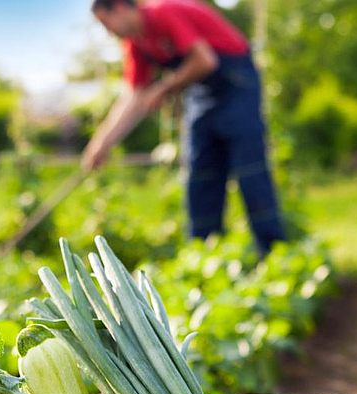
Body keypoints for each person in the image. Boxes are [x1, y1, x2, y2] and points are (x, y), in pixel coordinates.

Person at [84, 0, 287, 254]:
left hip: (236, 85)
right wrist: (101, 144)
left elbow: (205, 60)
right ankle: (204, 259)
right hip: (201, 94)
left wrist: (164, 88)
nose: (109, 32)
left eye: (106, 23)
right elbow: (133, 97)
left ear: (121, 8)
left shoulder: (164, 13)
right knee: (200, 176)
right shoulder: (136, 43)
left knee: (249, 172)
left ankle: (274, 253)